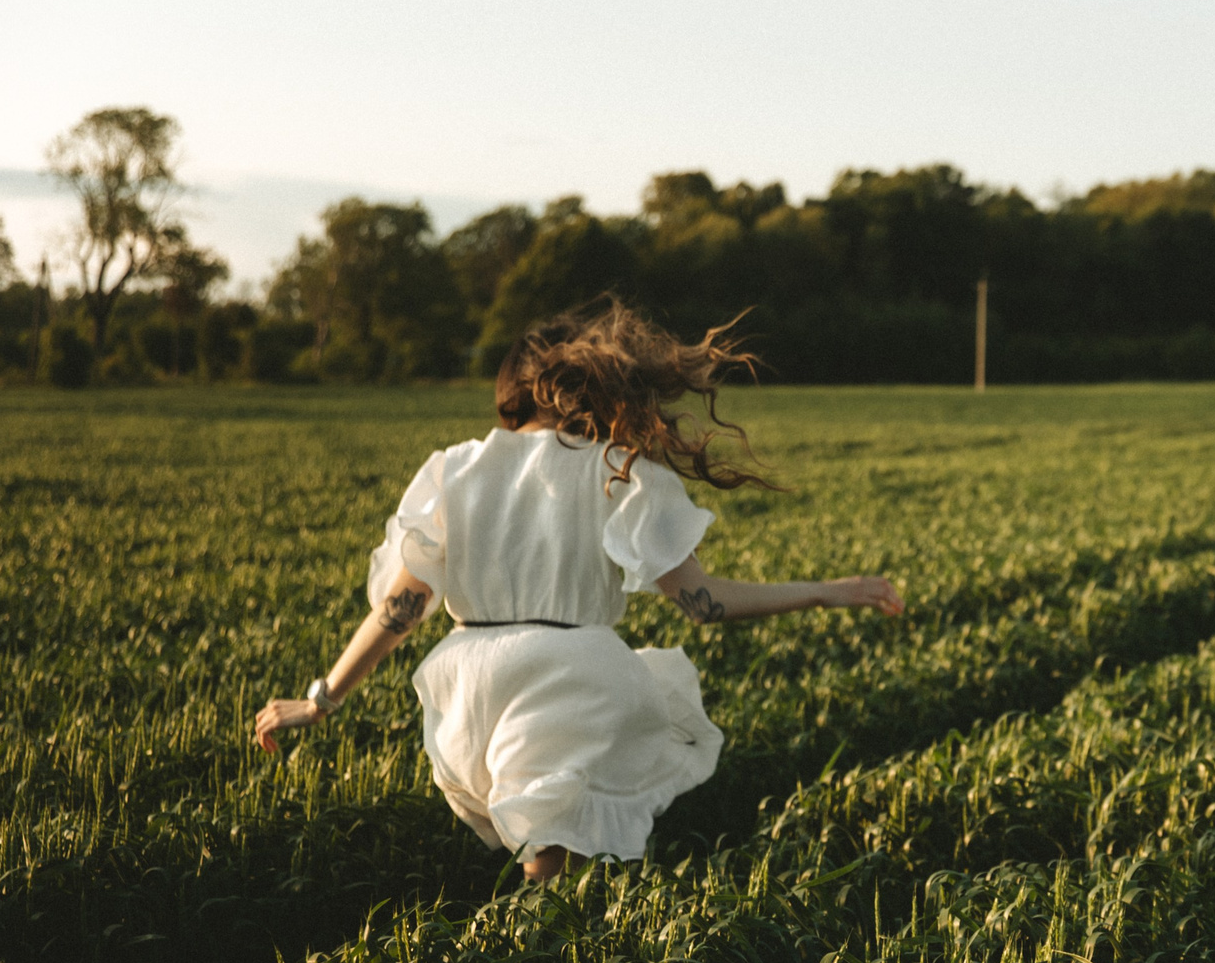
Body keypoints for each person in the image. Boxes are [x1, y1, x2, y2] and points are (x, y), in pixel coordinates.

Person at [251, 301, 903, 878]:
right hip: (572, 679)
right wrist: (823, 589)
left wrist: (321, 698)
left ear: (512, 388)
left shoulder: (453, 468)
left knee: (551, 857)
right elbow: (704, 604)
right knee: (558, 867)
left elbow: (403, 607)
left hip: (468, 687)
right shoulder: (618, 470)